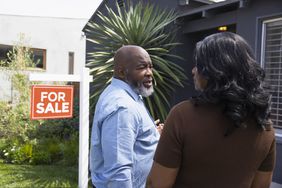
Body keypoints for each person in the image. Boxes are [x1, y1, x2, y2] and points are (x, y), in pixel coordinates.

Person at [147, 32, 276, 188]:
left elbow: (157, 184)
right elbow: (261, 185)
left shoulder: (182, 116)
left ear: (215, 70)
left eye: (199, 65)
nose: (193, 71)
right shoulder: (264, 125)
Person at [90, 45, 162, 188]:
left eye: (150, 67)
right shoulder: (122, 107)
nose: (149, 73)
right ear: (122, 72)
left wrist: (153, 133)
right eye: (142, 67)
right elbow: (118, 172)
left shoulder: (130, 95)